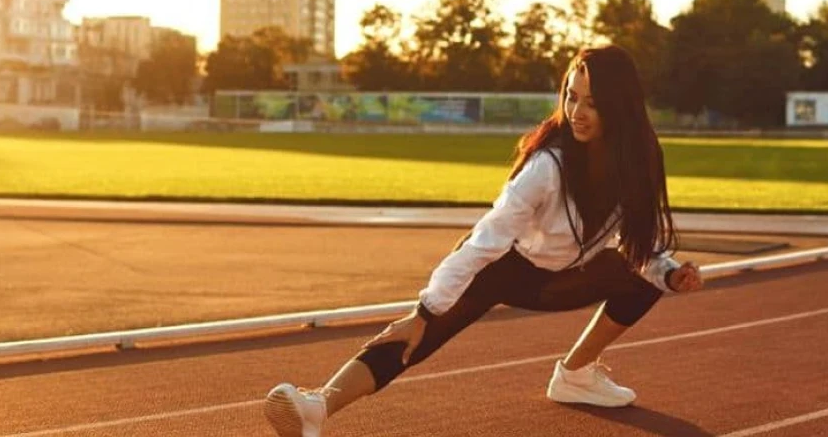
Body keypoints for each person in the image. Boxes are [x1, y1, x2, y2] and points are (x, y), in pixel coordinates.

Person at [262, 45, 705, 437]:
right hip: (506, 267)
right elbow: (483, 240)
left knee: (644, 274)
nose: (577, 112)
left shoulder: (638, 160)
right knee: (421, 331)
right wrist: (424, 310)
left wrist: (670, 272)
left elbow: (636, 242)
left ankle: (576, 375)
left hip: (567, 275)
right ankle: (318, 406)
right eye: (571, 97)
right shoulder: (547, 166)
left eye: (593, 102)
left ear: (621, 107)